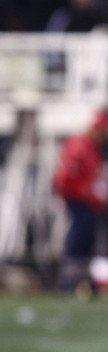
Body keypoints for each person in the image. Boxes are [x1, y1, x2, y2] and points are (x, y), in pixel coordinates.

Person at [53, 111, 108, 294]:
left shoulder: (91, 148)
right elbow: (69, 177)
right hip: (80, 201)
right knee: (78, 239)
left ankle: (82, 281)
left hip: (88, 202)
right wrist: (86, 193)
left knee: (87, 241)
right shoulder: (81, 146)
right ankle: (71, 280)